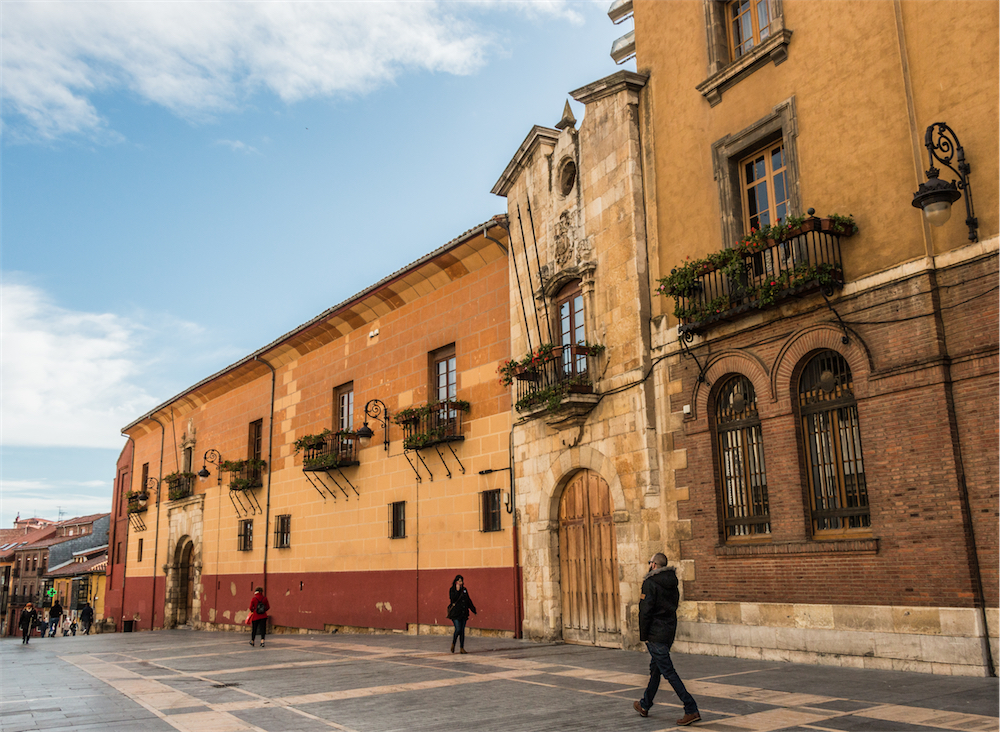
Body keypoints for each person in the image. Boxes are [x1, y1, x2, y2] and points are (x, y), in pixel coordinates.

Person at [634, 552, 700, 726]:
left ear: (654, 565)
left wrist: (644, 635)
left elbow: (645, 611)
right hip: (668, 631)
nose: (649, 565)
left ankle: (691, 708)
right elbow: (673, 606)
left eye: (650, 562)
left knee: (668, 672)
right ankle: (645, 704)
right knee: (656, 670)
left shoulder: (650, 583)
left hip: (655, 633)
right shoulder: (672, 582)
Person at [447, 575, 476, 654]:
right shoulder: (452, 589)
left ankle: (461, 648)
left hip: (463, 613)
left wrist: (473, 609)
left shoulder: (464, 590)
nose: (460, 583)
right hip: (455, 613)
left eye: (461, 581)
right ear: (456, 582)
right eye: (459, 581)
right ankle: (453, 643)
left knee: (462, 631)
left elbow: (468, 600)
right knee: (458, 629)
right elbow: (453, 599)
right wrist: (457, 591)